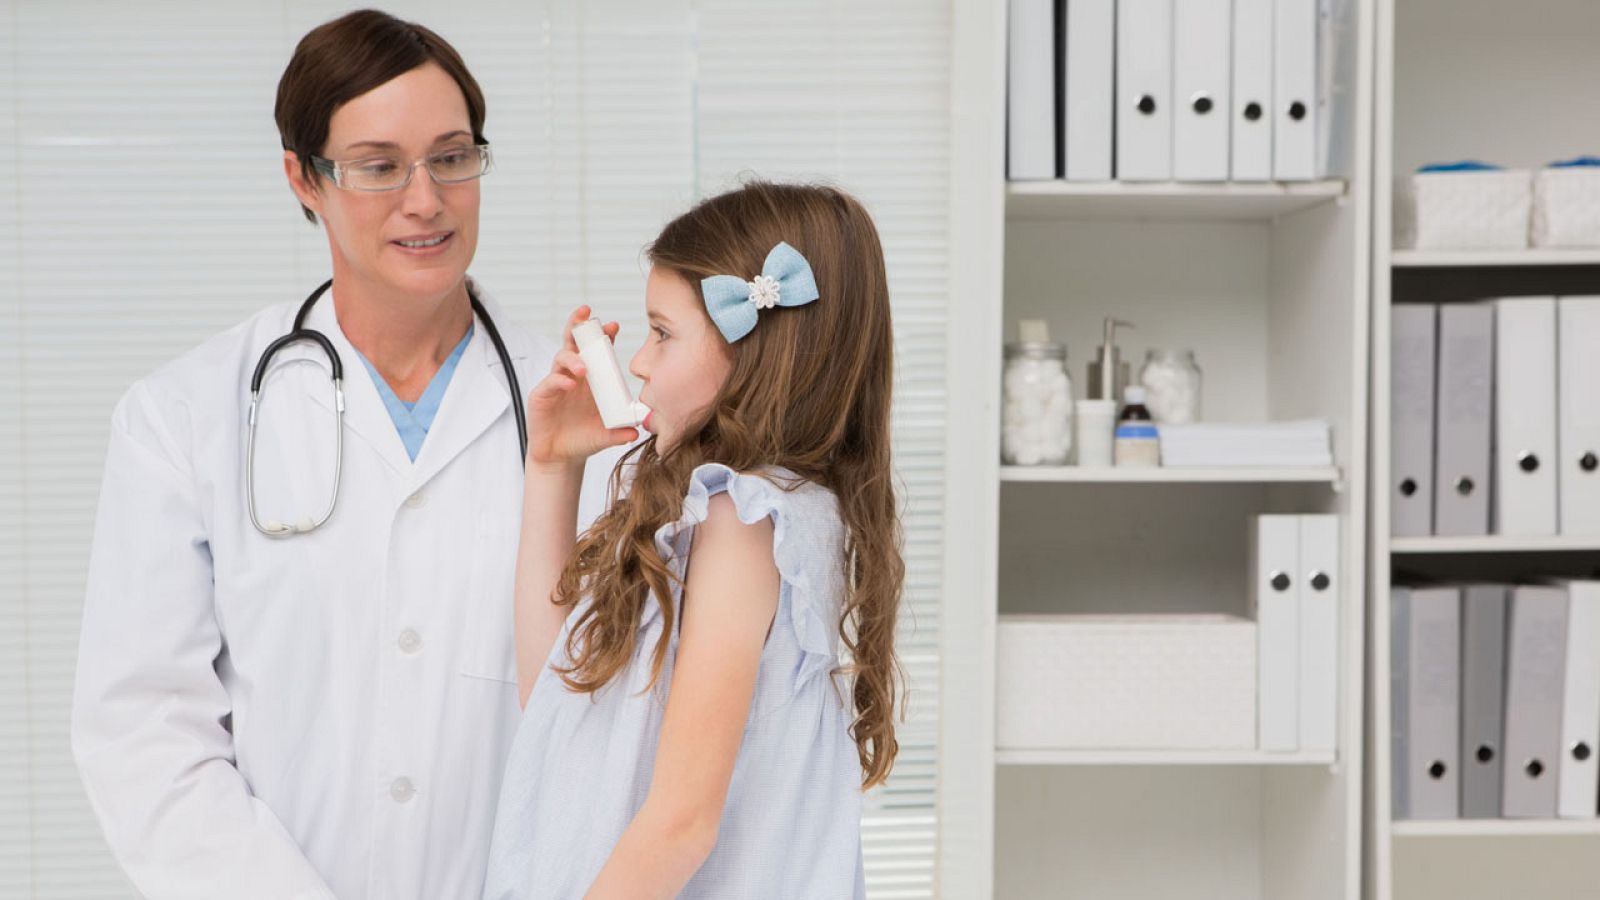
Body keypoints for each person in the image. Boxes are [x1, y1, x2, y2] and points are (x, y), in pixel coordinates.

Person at [70, 10, 610, 898]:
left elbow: (616, 727)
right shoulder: (184, 418)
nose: (425, 199)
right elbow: (145, 733)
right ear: (304, 178)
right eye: (378, 166)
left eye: (452, 157)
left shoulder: (585, 420)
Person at [482, 181, 906, 899]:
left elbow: (683, 823)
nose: (639, 363)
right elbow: (555, 698)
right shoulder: (730, 515)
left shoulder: (744, 519)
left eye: (662, 333)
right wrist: (552, 466)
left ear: (755, 350)